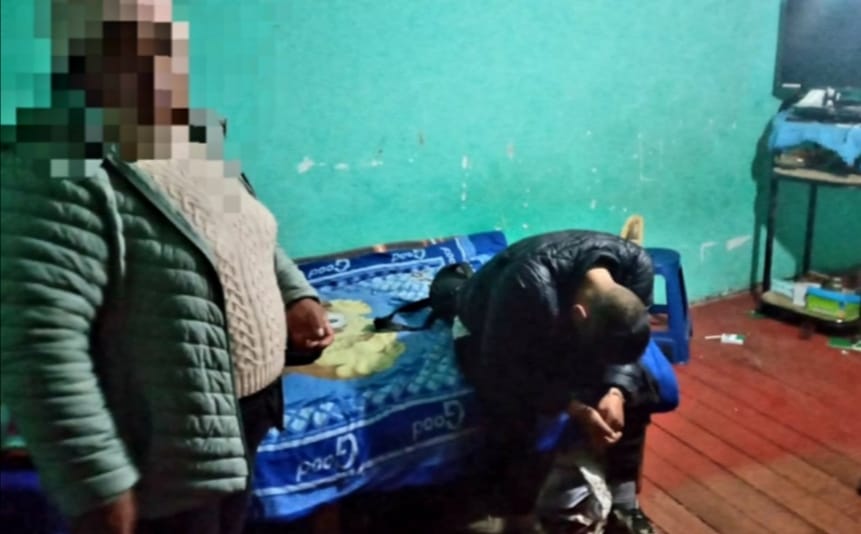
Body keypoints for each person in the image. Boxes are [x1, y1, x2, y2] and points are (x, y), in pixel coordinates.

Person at [0, 1, 334, 533]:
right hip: (164, 449)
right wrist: (95, 482)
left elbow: (247, 231)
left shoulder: (191, 136)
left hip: (245, 414)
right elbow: (39, 342)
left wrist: (297, 295)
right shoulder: (53, 159)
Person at [454, 229, 661, 534]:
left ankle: (624, 502)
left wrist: (615, 390)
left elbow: (629, 347)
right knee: (507, 402)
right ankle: (515, 511)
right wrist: (574, 407)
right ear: (579, 314)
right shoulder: (527, 283)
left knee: (640, 385)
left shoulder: (637, 267)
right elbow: (503, 368)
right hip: (491, 321)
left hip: (558, 326)